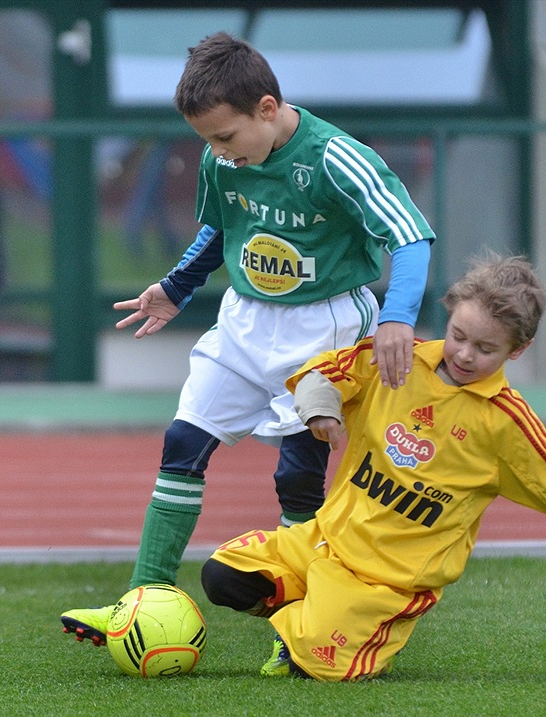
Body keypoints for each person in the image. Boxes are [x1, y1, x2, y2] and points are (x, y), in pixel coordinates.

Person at [60, 32, 434, 646]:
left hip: (327, 326)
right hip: (244, 319)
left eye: (225, 137)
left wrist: (397, 315)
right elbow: (219, 225)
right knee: (183, 441)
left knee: (297, 475)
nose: (217, 153)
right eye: (206, 140)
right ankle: (140, 600)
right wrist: (177, 287)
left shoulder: (337, 157)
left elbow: (410, 235)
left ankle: (308, 628)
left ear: (266, 108)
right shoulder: (223, 158)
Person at [200, 255, 546, 681]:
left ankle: (324, 626)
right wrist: (320, 409)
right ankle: (308, 609)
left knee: (317, 668)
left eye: (485, 348)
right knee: (221, 576)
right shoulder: (396, 359)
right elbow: (320, 373)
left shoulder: (506, 424)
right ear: (448, 316)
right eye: (459, 336)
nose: (466, 354)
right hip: (322, 541)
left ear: (518, 350)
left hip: (387, 583)